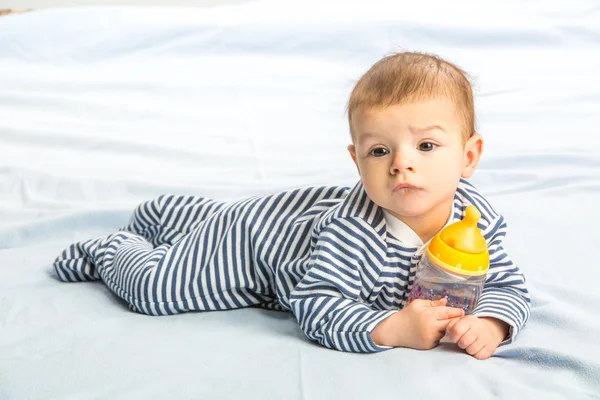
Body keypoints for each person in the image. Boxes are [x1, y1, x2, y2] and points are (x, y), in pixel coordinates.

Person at [53, 51, 530, 359]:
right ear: (357, 159)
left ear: (469, 156)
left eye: (426, 147)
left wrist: (491, 322)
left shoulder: (478, 221)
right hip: (252, 248)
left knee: (222, 219)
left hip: (289, 218)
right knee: (157, 289)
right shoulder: (354, 233)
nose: (401, 165)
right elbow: (316, 303)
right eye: (379, 151)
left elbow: (508, 284)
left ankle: (173, 214)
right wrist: (389, 328)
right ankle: (116, 246)